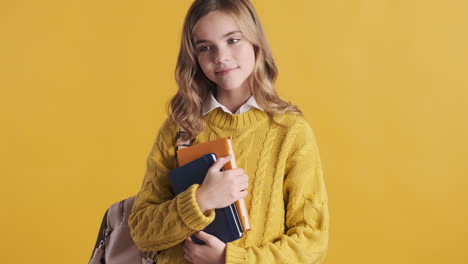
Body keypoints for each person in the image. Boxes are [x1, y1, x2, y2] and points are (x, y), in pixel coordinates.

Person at [128, 0, 329, 263]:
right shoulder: (180, 127)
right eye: (205, 47)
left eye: (233, 40)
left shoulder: (290, 132)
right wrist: (200, 200)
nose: (220, 57)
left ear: (255, 42)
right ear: (195, 56)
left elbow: (313, 242)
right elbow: (142, 232)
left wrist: (228, 259)